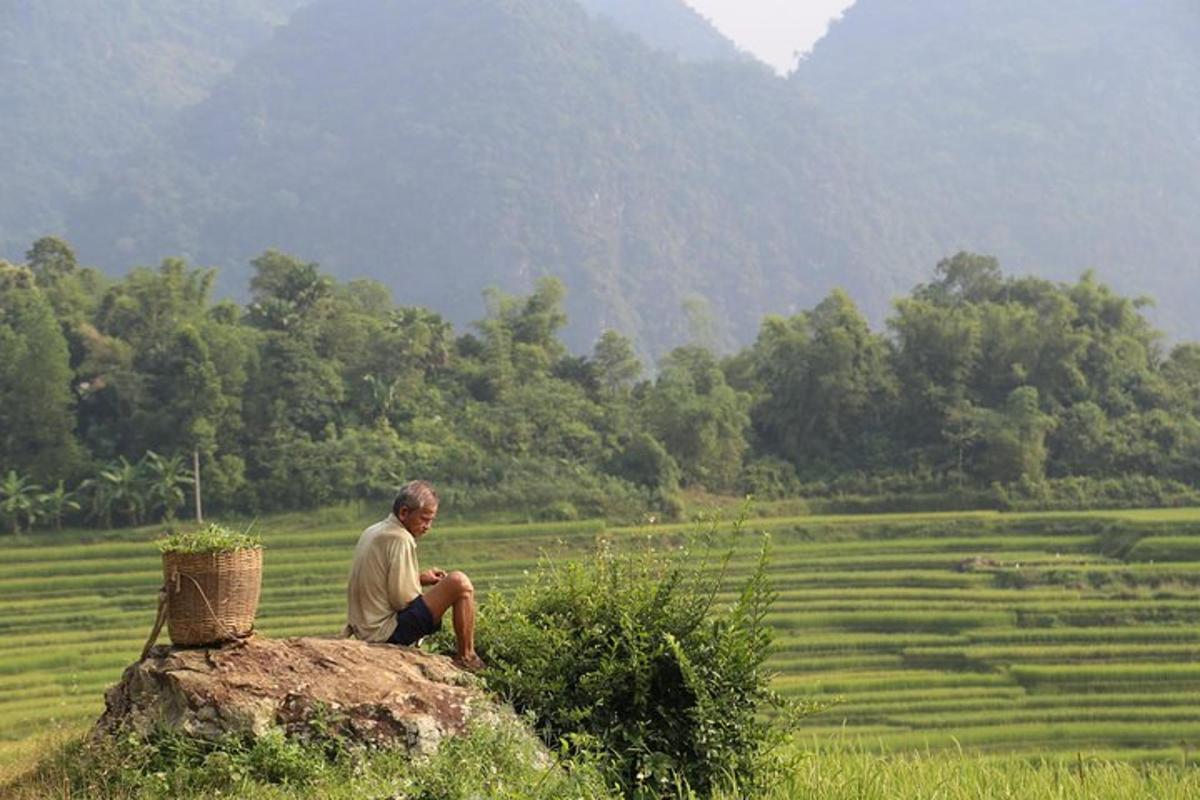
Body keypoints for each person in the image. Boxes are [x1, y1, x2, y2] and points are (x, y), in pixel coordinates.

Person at [344, 480, 485, 671]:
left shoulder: (374, 530)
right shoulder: (400, 538)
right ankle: (467, 656)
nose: (428, 526)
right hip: (384, 633)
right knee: (459, 583)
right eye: (424, 519)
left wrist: (419, 578)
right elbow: (403, 601)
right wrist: (436, 597)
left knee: (450, 586)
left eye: (431, 521)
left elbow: (381, 582)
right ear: (404, 513)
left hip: (365, 628)